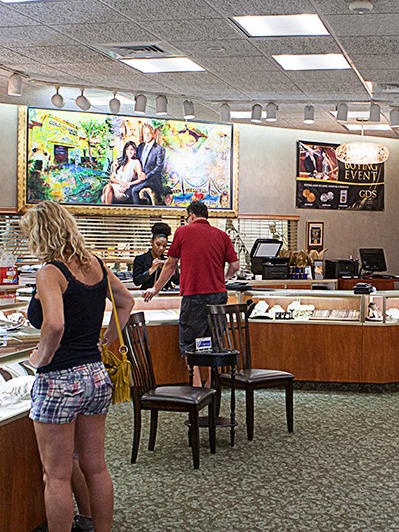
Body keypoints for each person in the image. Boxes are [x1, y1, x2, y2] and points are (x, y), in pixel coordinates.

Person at [22, 200, 134, 532]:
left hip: (59, 379)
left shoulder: (50, 272)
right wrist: (105, 341)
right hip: (95, 375)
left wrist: (41, 357)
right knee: (95, 467)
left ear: (41, 234)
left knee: (56, 476)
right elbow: (126, 302)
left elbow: (54, 324)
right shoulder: (96, 265)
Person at [143, 200, 240, 387]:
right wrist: (223, 279)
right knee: (212, 341)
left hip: (194, 295)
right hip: (218, 296)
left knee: (190, 342)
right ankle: (210, 385)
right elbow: (235, 266)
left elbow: (170, 265)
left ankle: (196, 386)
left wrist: (155, 289)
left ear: (192, 215)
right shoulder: (222, 235)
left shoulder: (182, 232)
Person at [127, 124, 166, 205]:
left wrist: (146, 176)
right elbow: (133, 157)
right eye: (145, 133)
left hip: (152, 180)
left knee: (134, 190)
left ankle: (138, 212)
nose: (147, 135)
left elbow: (159, 167)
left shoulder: (159, 149)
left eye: (149, 133)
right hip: (140, 178)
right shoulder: (141, 146)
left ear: (153, 134)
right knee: (127, 188)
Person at [131, 222, 177, 290]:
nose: (161, 248)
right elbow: (137, 281)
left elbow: (177, 281)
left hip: (165, 293)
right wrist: (151, 270)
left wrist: (173, 269)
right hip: (146, 293)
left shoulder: (167, 259)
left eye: (164, 246)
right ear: (151, 242)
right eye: (158, 244)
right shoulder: (140, 259)